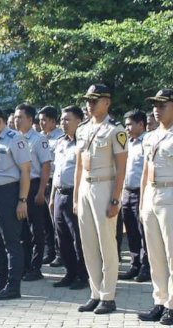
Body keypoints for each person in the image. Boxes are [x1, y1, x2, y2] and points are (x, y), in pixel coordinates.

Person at [74, 84, 128, 314]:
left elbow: (122, 167)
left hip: (105, 186)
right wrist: (76, 196)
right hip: (86, 187)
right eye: (88, 99)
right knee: (88, 244)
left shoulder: (115, 130)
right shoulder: (82, 129)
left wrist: (115, 199)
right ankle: (95, 292)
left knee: (107, 244)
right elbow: (78, 165)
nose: (89, 103)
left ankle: (108, 296)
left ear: (107, 102)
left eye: (94, 100)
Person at [0, 105, 31, 300]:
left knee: (11, 243)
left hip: (8, 195)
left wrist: (22, 200)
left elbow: (25, 171)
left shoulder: (15, 140)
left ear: (1, 121)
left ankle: (13, 286)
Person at [138, 89, 173, 324]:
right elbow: (144, 171)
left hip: (170, 193)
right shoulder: (150, 136)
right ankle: (160, 301)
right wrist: (142, 202)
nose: (156, 110)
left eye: (162, 105)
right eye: (154, 106)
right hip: (151, 194)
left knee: (172, 254)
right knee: (155, 255)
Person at [48, 106, 88, 290]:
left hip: (75, 194)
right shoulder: (60, 142)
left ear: (79, 121)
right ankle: (70, 272)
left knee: (78, 238)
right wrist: (52, 197)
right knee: (62, 237)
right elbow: (56, 172)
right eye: (62, 120)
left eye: (67, 120)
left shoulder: (84, 143)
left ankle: (82, 275)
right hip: (59, 193)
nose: (63, 123)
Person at [14, 103, 53, 281]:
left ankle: (36, 267)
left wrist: (41, 191)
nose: (16, 120)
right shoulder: (14, 138)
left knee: (36, 229)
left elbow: (46, 165)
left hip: (34, 185)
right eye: (15, 117)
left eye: (20, 117)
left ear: (30, 119)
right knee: (21, 230)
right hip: (18, 186)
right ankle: (25, 265)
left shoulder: (38, 140)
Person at [117, 109, 150, 282]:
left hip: (141, 192)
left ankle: (146, 267)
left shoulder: (147, 142)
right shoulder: (126, 143)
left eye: (130, 124)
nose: (127, 128)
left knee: (142, 231)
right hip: (127, 192)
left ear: (141, 124)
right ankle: (134, 264)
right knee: (130, 232)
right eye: (126, 124)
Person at [38, 105, 63, 266]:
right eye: (39, 120)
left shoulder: (60, 138)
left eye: (44, 120)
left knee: (56, 221)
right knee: (45, 222)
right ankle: (51, 251)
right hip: (42, 182)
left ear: (53, 121)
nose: (41, 124)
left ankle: (61, 253)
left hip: (54, 181)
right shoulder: (40, 137)